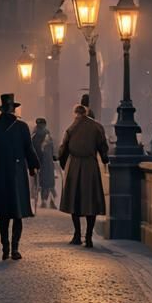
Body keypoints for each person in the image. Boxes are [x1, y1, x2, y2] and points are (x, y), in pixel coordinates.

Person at [0, 94, 39, 260]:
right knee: (17, 212)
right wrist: (33, 166)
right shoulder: (21, 127)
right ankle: (14, 248)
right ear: (13, 109)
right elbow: (29, 148)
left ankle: (6, 247)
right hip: (17, 172)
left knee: (3, 213)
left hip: (0, 172)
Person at [58, 104, 108, 248]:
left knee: (74, 200)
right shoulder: (96, 127)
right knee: (91, 201)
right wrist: (104, 159)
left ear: (76, 114)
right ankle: (89, 237)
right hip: (90, 165)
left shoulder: (72, 127)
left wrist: (63, 163)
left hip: (74, 165)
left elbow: (63, 148)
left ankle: (77, 234)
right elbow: (103, 146)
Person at [31, 118, 58, 209]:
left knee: (40, 182)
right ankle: (49, 200)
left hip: (40, 162)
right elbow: (52, 148)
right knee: (48, 183)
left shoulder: (34, 134)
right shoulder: (48, 135)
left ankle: (44, 201)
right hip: (46, 162)